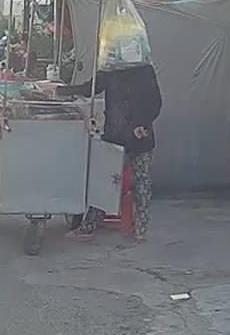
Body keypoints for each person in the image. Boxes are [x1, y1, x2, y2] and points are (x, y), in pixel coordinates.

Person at [56, 62, 162, 241]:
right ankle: (140, 230)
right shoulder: (144, 70)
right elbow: (156, 103)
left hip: (119, 136)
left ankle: (89, 227)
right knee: (140, 182)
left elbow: (89, 89)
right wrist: (143, 124)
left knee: (105, 182)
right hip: (137, 136)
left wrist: (60, 90)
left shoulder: (113, 70)